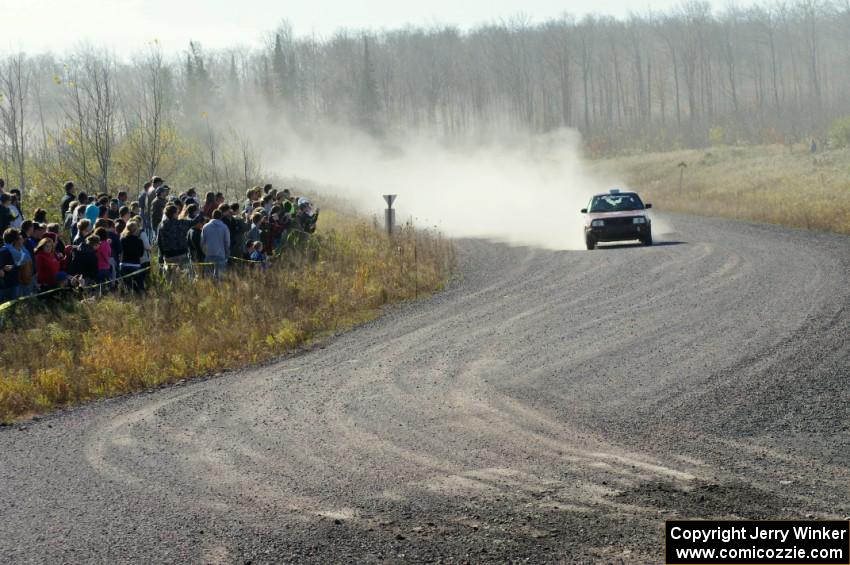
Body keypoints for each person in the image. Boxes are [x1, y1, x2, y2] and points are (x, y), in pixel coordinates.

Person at [157, 204, 193, 271]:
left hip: (168, 255)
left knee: (170, 277)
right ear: (173, 214)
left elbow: (159, 242)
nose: (178, 214)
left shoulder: (161, 225)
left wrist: (163, 254)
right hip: (181, 254)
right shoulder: (180, 223)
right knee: (185, 275)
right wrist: (201, 213)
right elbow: (193, 222)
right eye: (177, 212)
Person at [201, 209, 230, 280]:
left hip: (209, 254)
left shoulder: (205, 227)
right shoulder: (224, 227)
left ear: (212, 216)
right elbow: (227, 242)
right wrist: (226, 254)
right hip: (221, 254)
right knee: (220, 277)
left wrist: (205, 252)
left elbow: (202, 242)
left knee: (208, 277)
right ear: (221, 217)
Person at [119, 221, 146, 293]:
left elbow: (120, 252)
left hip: (124, 265)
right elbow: (141, 254)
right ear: (136, 230)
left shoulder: (123, 240)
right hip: (136, 265)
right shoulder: (139, 241)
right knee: (140, 286)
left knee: (126, 285)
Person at [0, 228, 24, 303]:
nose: (21, 239)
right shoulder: (4, 251)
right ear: (15, 240)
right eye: (19, 238)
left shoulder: (16, 250)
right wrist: (3, 269)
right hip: (7, 287)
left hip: (14, 284)